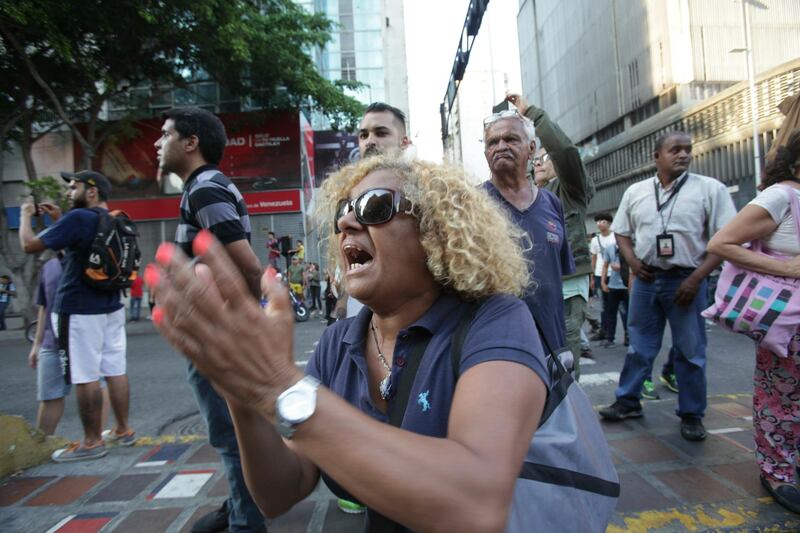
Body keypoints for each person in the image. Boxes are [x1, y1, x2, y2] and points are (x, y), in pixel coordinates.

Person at [146, 154, 549, 532]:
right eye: (342, 212)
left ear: (435, 231)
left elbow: (477, 504)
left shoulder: (496, 320)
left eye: (374, 207)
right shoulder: (337, 342)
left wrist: (278, 387)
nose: (346, 225)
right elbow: (281, 493)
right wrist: (242, 389)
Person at [153, 106, 264, 533]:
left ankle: (246, 522)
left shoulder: (204, 190)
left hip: (219, 335)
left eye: (165, 134)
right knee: (235, 430)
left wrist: (245, 326)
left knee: (230, 434)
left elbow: (248, 267)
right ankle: (241, 504)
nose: (158, 143)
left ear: (190, 142)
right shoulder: (202, 189)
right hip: (216, 331)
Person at [598, 131, 736, 442]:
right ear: (656, 156)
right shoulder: (637, 191)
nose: (683, 155)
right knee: (639, 346)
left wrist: (697, 278)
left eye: (688, 149)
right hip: (647, 279)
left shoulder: (709, 190)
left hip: (687, 279)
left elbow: (726, 240)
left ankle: (691, 413)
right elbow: (622, 232)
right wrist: (633, 262)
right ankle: (628, 400)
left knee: (690, 350)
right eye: (675, 150)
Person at [707, 129, 800, 512]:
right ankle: (776, 472)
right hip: (789, 323)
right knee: (780, 399)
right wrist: (791, 268)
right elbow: (721, 243)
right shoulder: (782, 196)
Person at [18, 170, 135, 461]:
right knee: (115, 369)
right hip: (111, 306)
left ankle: (92, 442)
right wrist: (61, 219)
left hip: (79, 308)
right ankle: (122, 430)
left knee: (85, 376)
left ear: (91, 191)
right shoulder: (114, 219)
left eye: (73, 187)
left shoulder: (78, 218)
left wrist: (24, 216)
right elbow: (83, 247)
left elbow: (29, 245)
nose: (69, 193)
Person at [509, 93, 595, 374]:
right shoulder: (526, 197)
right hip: (530, 294)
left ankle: (566, 416)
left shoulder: (570, 191)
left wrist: (532, 114)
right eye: (535, 159)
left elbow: (565, 151)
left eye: (544, 158)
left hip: (567, 292)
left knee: (563, 370)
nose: (538, 163)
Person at [482, 109, 575, 357]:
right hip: (497, 347)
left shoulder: (552, 203)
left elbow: (557, 277)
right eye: (493, 142)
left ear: (531, 148)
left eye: (511, 139)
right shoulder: (471, 204)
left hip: (552, 347)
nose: (501, 146)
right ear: (486, 153)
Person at [589, 213, 616, 342]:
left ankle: (627, 334)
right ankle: (604, 332)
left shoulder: (615, 237)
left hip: (615, 274)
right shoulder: (595, 240)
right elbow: (593, 259)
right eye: (598, 221)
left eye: (603, 221)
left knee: (620, 305)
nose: (599, 224)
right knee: (604, 305)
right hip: (600, 274)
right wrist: (593, 277)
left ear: (609, 223)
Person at [599, 243, 628, 350]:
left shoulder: (629, 246)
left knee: (628, 313)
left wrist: (621, 267)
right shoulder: (609, 248)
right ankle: (610, 338)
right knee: (611, 313)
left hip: (627, 285)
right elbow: (605, 265)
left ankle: (628, 336)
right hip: (613, 285)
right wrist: (603, 282)